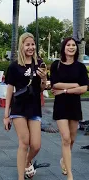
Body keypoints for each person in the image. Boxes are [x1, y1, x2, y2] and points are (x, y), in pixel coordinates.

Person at [3, 32, 47, 180]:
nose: (31, 47)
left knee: (36, 145)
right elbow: (9, 90)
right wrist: (6, 115)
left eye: (32, 44)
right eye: (27, 44)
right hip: (19, 108)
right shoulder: (14, 67)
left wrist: (44, 79)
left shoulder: (39, 63)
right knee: (24, 142)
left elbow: (41, 89)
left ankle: (27, 162)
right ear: (21, 46)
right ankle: (21, 177)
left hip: (34, 107)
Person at [50, 37, 88, 180]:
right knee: (65, 138)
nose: (71, 47)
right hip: (60, 106)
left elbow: (84, 87)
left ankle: (63, 160)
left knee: (71, 139)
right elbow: (54, 84)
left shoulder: (80, 67)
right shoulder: (56, 65)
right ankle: (70, 174)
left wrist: (65, 90)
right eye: (68, 45)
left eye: (73, 45)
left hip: (74, 105)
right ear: (63, 48)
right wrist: (74, 85)